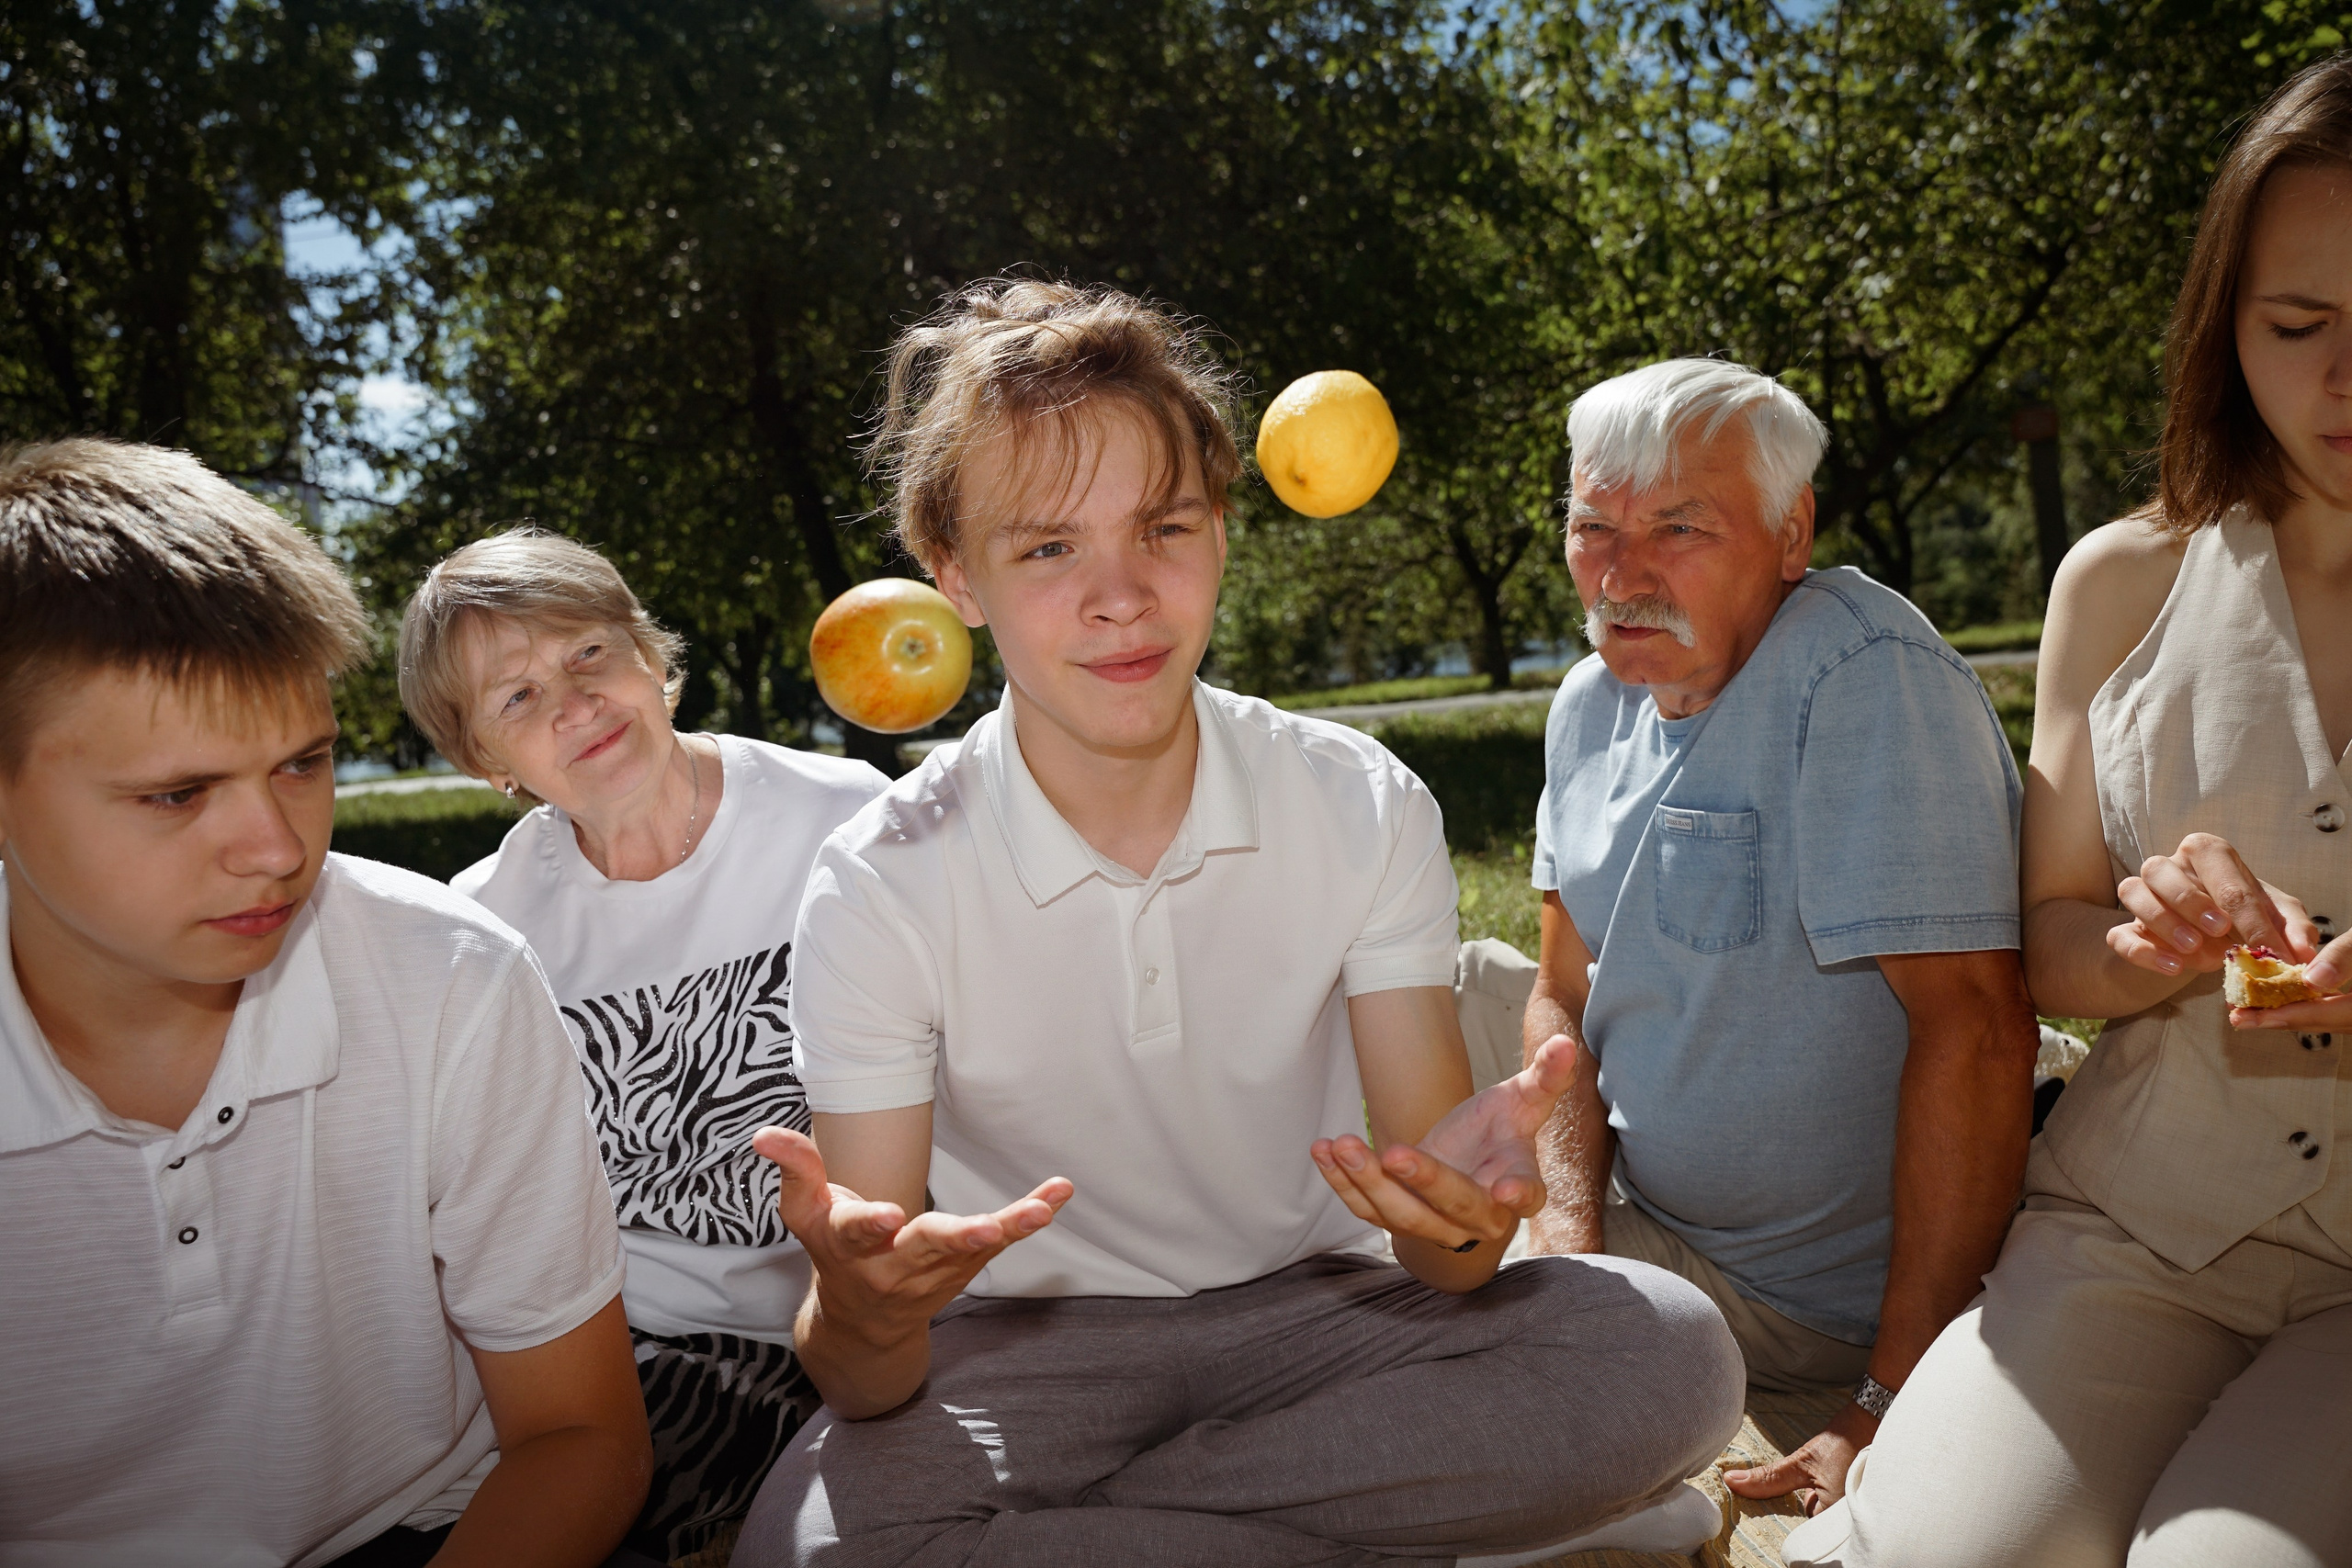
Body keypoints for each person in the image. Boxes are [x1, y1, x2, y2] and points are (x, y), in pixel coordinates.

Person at [730, 280, 1746, 1568]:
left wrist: (1469, 1216)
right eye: (1047, 547)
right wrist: (865, 1311)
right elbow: (866, 1373)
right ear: (955, 576)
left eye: (1164, 526)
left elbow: (1443, 1257)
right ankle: (1445, 1535)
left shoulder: (1359, 799)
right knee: (802, 1549)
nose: (1121, 595)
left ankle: (1119, 1539)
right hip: (1029, 1359)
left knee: (1667, 1348)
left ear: (1220, 526)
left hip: (1331, 1322)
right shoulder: (878, 877)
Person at [1787, 54, 2352, 1568]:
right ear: (2227, 329)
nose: (2347, 381)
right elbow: (2051, 947)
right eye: (2301, 327)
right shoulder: (2119, 584)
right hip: (2137, 1232)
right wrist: (2152, 942)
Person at [0, 440, 654, 1568]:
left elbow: (580, 1435)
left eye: (305, 764)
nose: (275, 848)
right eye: (176, 792)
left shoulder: (453, 979)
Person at [1496, 356, 2041, 1517]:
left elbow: (1981, 1033)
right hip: (1646, 1223)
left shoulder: (1858, 674)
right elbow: (1558, 996)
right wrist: (1573, 1248)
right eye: (1593, 527)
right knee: (1357, 1178)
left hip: (1812, 1304)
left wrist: (1885, 1401)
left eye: (1678, 527)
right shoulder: (1585, 705)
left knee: (1403, 1330)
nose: (1623, 573)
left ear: (1791, 537)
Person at [399, 530, 890, 1562]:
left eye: (586, 654)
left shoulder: (845, 822)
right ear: (486, 759)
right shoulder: (483, 926)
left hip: (851, 1314)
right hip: (620, 1350)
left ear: (649, 654)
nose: (573, 704)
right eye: (517, 699)